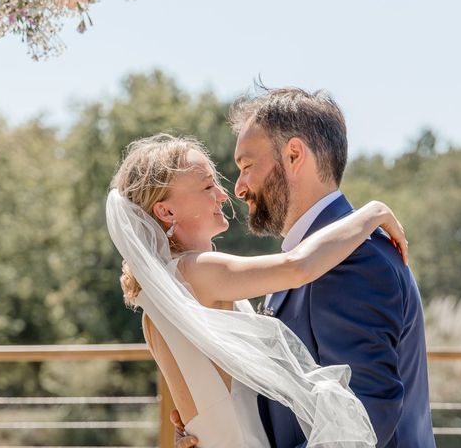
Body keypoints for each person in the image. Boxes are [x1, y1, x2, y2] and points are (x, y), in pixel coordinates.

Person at [107, 133, 409, 448]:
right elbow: (297, 266)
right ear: (166, 212)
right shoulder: (199, 272)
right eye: (208, 186)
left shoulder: (156, 304)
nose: (223, 195)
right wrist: (373, 212)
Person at [174, 87, 436, 448]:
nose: (239, 187)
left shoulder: (354, 260)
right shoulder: (307, 261)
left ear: (294, 155)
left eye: (247, 166)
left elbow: (364, 420)